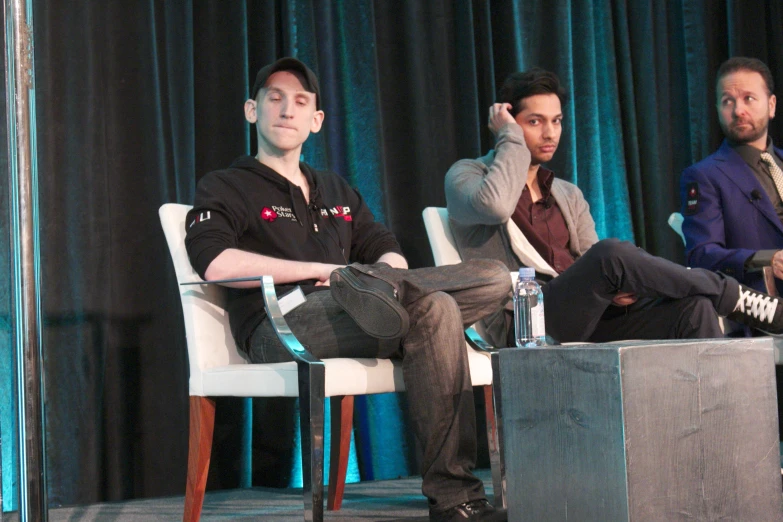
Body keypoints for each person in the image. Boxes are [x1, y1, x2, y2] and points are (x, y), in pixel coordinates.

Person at [185, 57, 510, 522]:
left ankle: (455, 501)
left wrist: (385, 277)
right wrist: (320, 269)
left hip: (365, 311)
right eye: (274, 99)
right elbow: (215, 263)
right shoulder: (226, 185)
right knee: (435, 302)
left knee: (468, 290)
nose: (286, 110)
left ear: (316, 121)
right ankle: (360, 288)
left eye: (300, 102)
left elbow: (386, 247)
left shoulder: (335, 190)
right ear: (251, 111)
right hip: (282, 325)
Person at [445, 67, 783, 346]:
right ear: (507, 120)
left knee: (694, 310)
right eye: (534, 122)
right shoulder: (468, 175)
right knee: (610, 253)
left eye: (557, 121)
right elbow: (496, 206)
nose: (550, 133)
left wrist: (618, 287)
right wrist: (510, 140)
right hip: (524, 322)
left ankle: (715, 423)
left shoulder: (567, 193)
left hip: (587, 317)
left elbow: (591, 261)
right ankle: (731, 294)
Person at [680, 57, 783, 296]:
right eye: (727, 101)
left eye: (748, 98)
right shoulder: (703, 176)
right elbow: (701, 255)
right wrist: (767, 259)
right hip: (765, 304)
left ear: (771, 105)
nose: (738, 110)